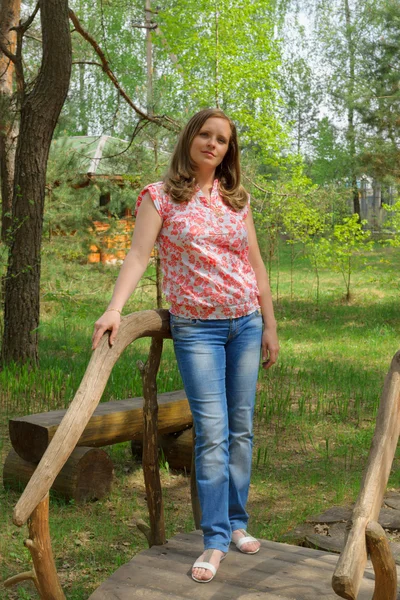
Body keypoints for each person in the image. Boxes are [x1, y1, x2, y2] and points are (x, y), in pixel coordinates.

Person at [92, 108, 279, 583]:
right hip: (197, 328)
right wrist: (115, 307)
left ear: (227, 151)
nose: (213, 144)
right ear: (190, 137)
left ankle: (238, 523)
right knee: (212, 432)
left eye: (222, 140)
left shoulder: (237, 198)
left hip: (246, 325)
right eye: (206, 134)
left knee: (242, 429)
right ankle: (215, 539)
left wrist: (271, 325)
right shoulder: (159, 197)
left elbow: (256, 266)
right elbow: (137, 256)